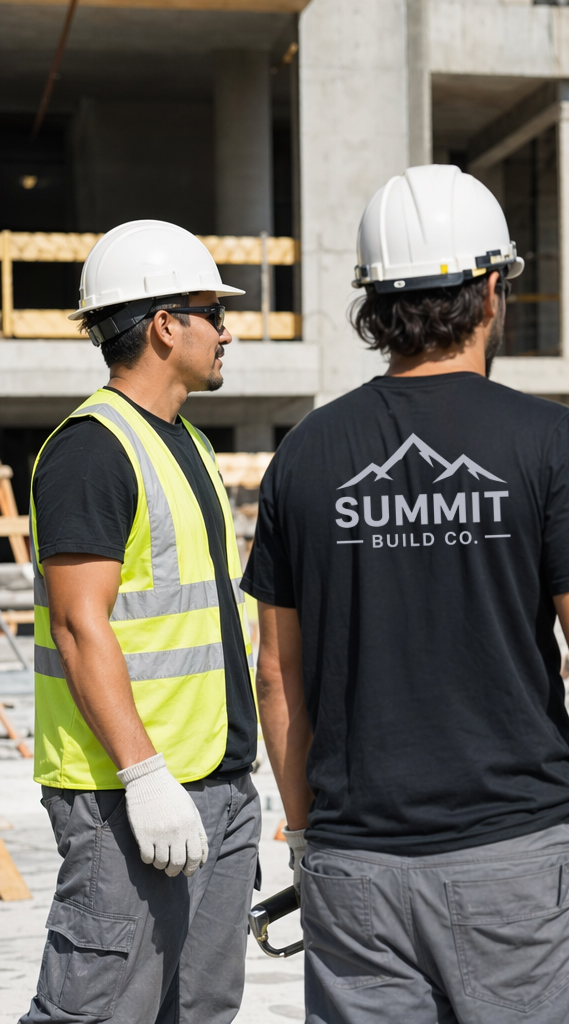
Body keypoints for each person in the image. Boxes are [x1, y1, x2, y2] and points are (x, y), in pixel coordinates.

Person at [244, 164, 569, 1024]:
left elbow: (278, 673)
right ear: (491, 291)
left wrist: (303, 834)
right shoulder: (551, 441)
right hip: (518, 867)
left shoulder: (305, 453)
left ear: (373, 302)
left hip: (356, 868)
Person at [22, 220, 257, 1024]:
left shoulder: (186, 441)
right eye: (211, 313)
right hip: (130, 795)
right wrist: (144, 776)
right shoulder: (93, 450)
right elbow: (79, 626)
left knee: (198, 1008)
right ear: (164, 325)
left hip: (214, 781)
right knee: (95, 1011)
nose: (228, 330)